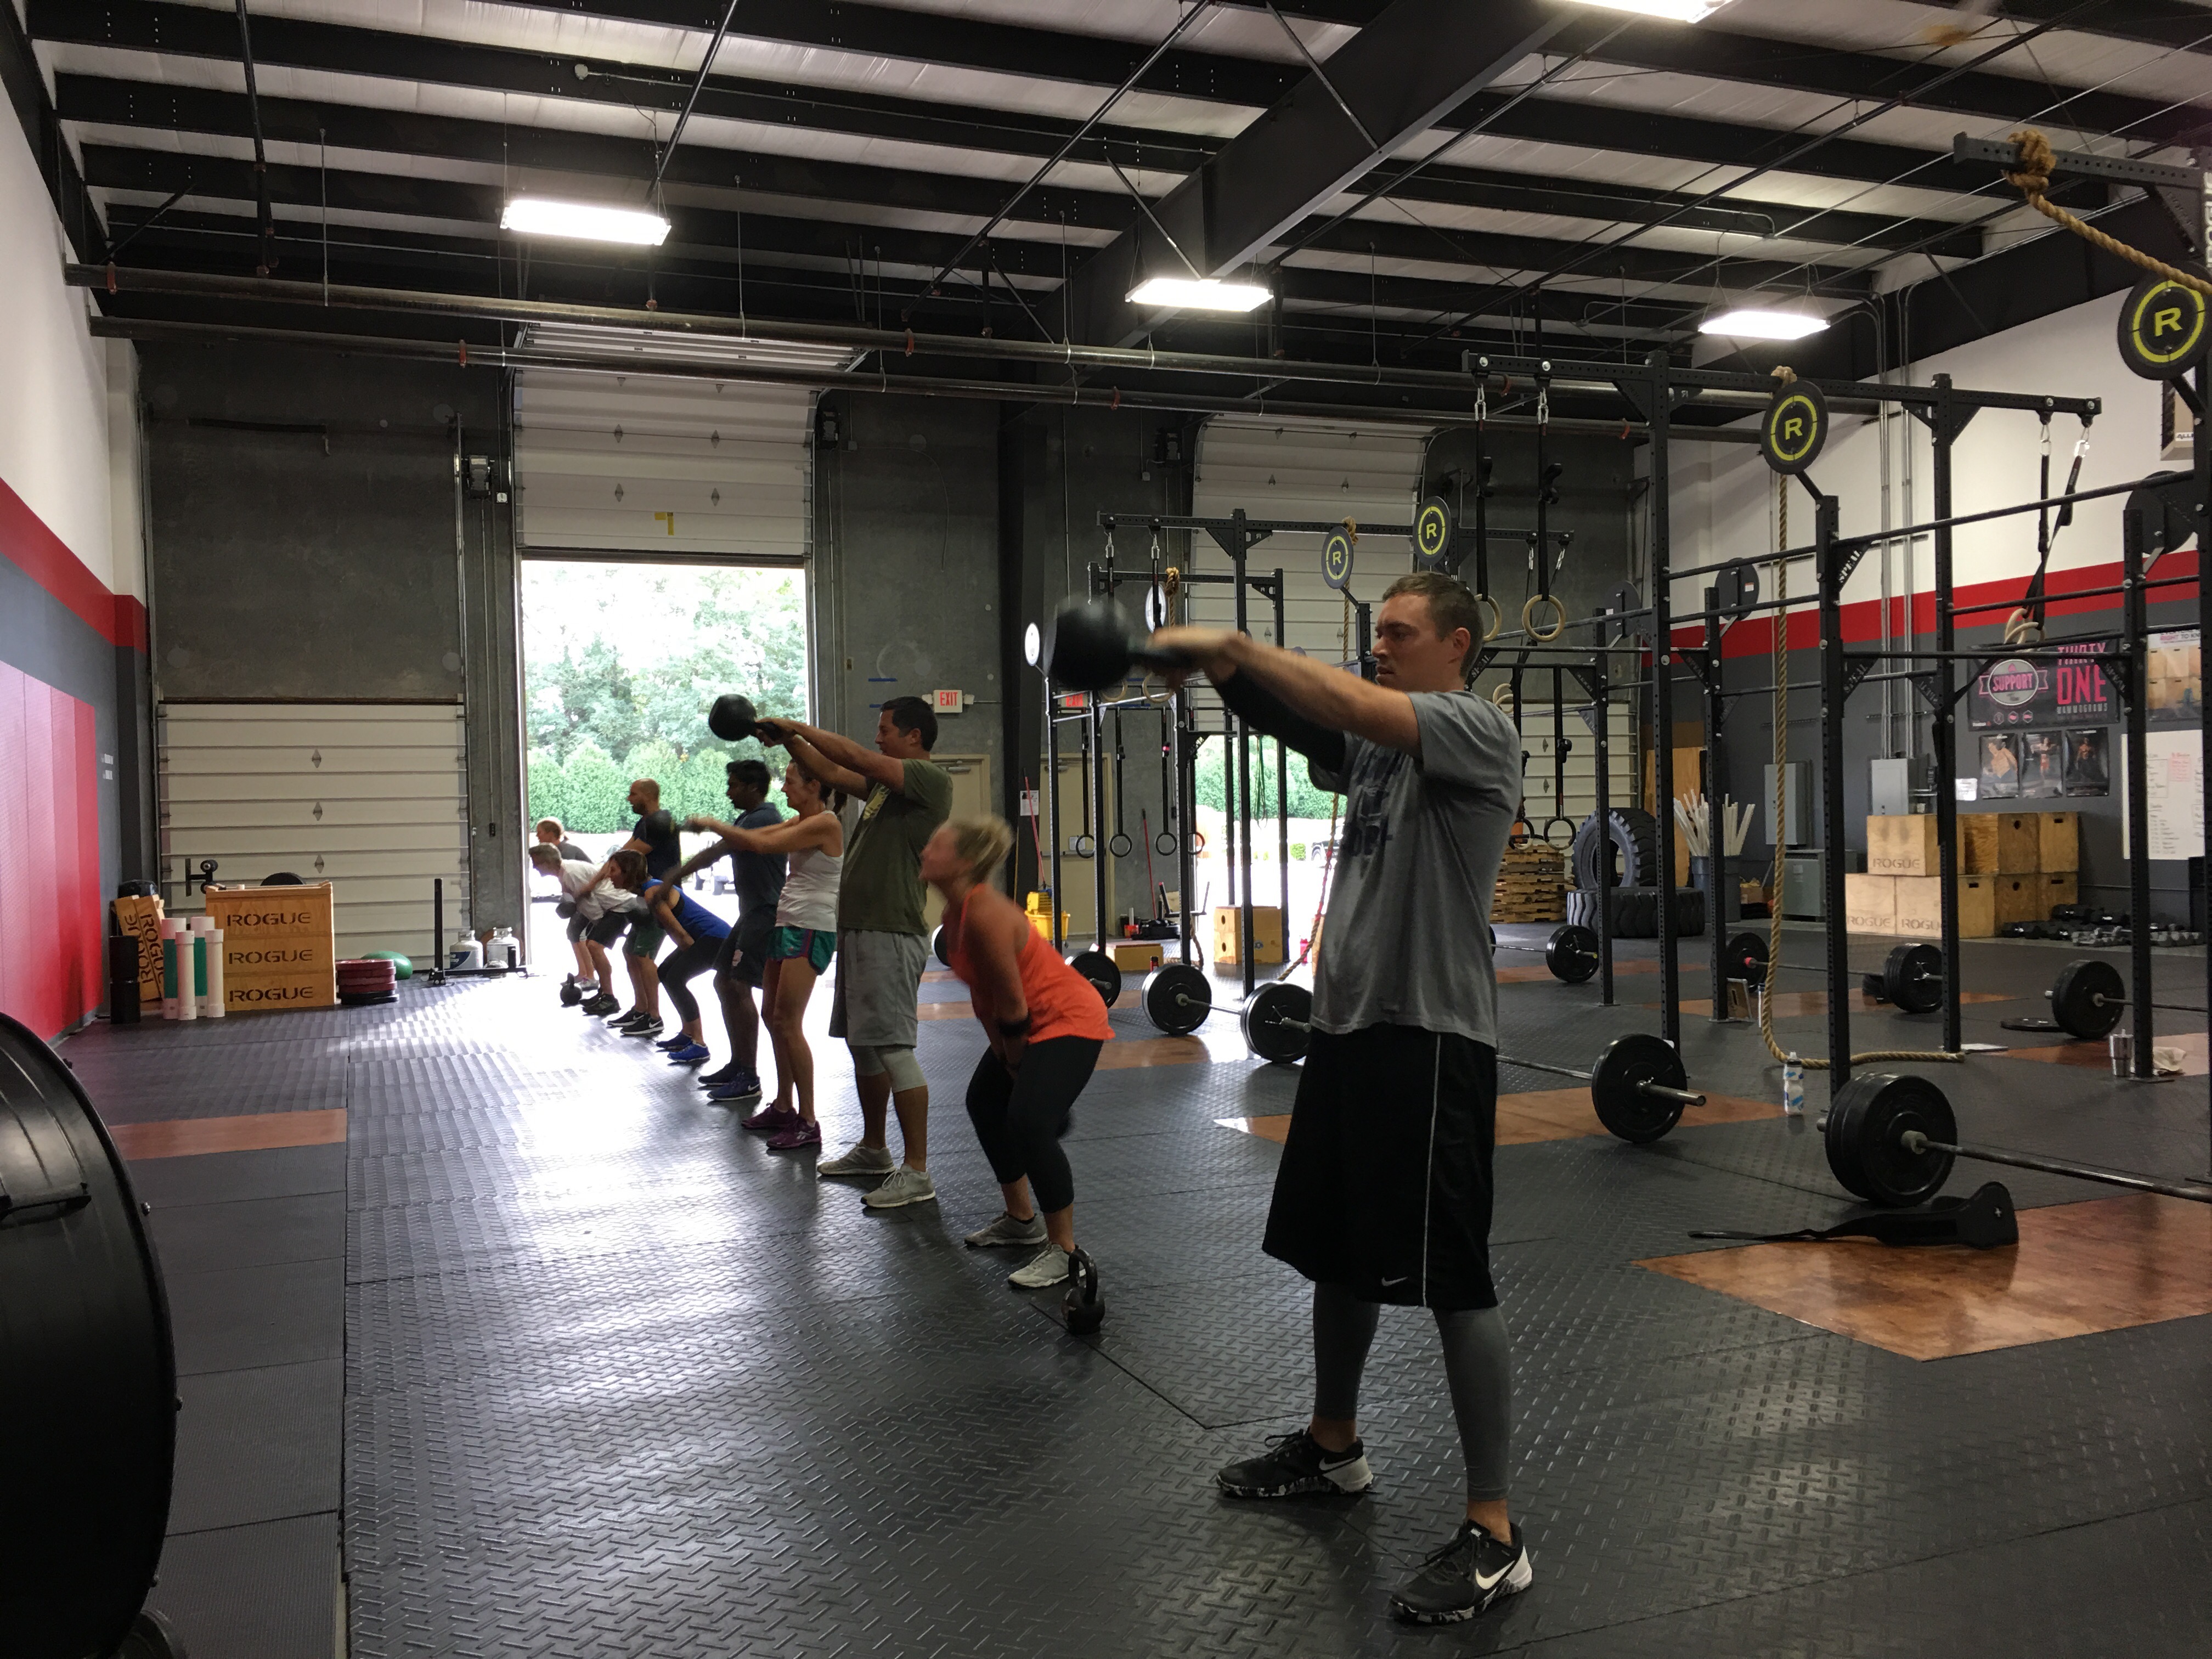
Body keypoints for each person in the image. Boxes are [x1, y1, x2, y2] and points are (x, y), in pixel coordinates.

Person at [1150, 571, 1528, 1626]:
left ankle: (1495, 1528)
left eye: (1399, 633)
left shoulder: (1476, 730)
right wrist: (1219, 667)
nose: (1380, 646)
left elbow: (1347, 700)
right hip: (1349, 1029)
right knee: (1336, 1249)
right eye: (1375, 633)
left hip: (1431, 1037)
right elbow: (1298, 713)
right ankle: (1332, 1444)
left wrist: (1234, 640)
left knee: (1454, 1278)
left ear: (1457, 644)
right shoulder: (1376, 747)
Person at [757, 697, 952, 1209]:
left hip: (892, 930)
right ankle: (874, 1149)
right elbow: (830, 771)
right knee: (864, 1046)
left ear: (914, 736)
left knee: (894, 1049)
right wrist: (789, 740)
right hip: (860, 929)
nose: (878, 738)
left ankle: (917, 1171)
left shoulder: (929, 779)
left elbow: (856, 759)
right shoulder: (887, 789)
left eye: (886, 730)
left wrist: (797, 724)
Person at [923, 814, 1113, 1293]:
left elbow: (1012, 1005)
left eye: (937, 846)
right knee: (984, 1102)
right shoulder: (955, 916)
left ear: (964, 862)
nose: (925, 852)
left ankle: (1064, 1251)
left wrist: (1016, 1066)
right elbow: (986, 999)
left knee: (1028, 1122)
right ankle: (1020, 1220)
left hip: (1067, 1018)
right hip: (1027, 1020)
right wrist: (1006, 1063)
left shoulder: (985, 913)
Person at [691, 766, 845, 1150]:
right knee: (773, 1017)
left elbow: (760, 846)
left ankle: (808, 1121)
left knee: (788, 1023)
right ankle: (783, 1105)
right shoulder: (800, 820)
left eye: (790, 782)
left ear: (814, 785)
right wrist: (720, 833)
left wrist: (712, 823)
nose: (784, 788)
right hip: (786, 922)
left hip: (810, 928)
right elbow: (754, 838)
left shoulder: (825, 823)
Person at [661, 760, 786, 1090]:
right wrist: (675, 875)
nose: (728, 792)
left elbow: (718, 850)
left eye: (734, 785)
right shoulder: (748, 818)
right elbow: (719, 850)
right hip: (751, 914)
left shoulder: (763, 818)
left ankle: (749, 1075)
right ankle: (738, 1064)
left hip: (764, 914)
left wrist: (674, 876)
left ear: (754, 787)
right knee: (725, 983)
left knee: (737, 985)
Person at [589, 779, 683, 1037]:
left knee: (643, 955)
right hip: (644, 897)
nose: (629, 799)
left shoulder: (660, 822)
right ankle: (641, 1010)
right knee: (630, 951)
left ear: (648, 795)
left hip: (660, 897)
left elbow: (624, 858)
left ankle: (654, 1017)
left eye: (633, 794)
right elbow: (621, 854)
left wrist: (591, 884)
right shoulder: (645, 822)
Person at [528, 843, 645, 1016]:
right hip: (612, 907)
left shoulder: (570, 873)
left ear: (547, 863)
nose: (534, 867)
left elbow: (591, 904)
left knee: (594, 947)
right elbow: (579, 900)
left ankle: (609, 999)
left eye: (536, 863)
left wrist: (600, 926)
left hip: (620, 906)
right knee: (591, 945)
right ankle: (604, 993)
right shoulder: (565, 873)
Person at [640, 874, 731, 1066]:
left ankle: (699, 1043)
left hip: (715, 937)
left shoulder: (652, 892)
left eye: (613, 871)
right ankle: (687, 1033)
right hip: (705, 936)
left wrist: (690, 958)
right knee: (665, 972)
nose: (609, 876)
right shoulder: (653, 886)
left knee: (675, 979)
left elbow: (680, 935)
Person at [534, 817, 595, 998]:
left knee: (580, 934)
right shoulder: (558, 852)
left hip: (591, 900)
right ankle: (583, 973)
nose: (537, 836)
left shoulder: (566, 852)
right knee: (573, 932)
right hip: (580, 899)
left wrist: (572, 903)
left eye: (540, 832)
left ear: (551, 834)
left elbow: (574, 881)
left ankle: (590, 976)